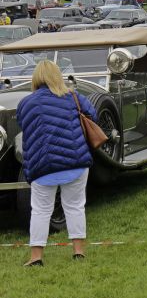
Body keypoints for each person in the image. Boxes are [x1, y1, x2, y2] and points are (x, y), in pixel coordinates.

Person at [17, 60, 97, 266]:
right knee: (75, 206)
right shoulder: (73, 96)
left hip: (42, 164)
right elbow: (92, 115)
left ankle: (36, 257)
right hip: (75, 161)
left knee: (41, 210)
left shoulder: (26, 102)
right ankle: (78, 251)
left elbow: (22, 123)